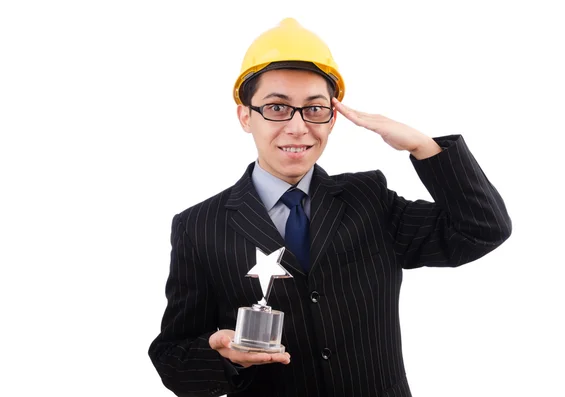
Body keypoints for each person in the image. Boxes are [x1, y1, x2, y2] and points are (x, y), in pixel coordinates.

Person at [148, 17, 512, 397]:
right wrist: (223, 355)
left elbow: (482, 228)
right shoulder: (199, 225)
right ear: (245, 116)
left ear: (333, 117)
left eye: (315, 109)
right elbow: (173, 359)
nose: (297, 126)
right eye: (276, 108)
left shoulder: (368, 198)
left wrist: (423, 147)